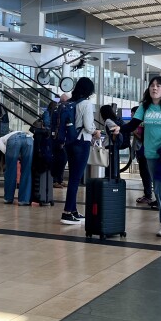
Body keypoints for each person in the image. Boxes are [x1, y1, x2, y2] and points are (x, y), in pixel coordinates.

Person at [112, 77, 161, 240]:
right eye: (152, 85)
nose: (155, 88)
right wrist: (120, 128)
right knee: (159, 190)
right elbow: (133, 125)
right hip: (151, 154)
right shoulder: (144, 107)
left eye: (158, 85)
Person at [60, 77, 99, 225]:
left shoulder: (70, 102)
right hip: (82, 142)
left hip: (70, 142)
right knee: (75, 178)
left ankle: (74, 210)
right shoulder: (86, 104)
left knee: (73, 177)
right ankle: (67, 212)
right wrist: (96, 132)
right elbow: (89, 126)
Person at [0, 129, 34, 206]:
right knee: (27, 171)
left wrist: (15, 156)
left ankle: (8, 198)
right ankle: (24, 200)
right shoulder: (15, 133)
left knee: (10, 170)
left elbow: (6, 152)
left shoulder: (0, 140)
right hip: (29, 139)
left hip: (14, 140)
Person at [131, 105, 155, 205]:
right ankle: (147, 194)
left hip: (145, 151)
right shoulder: (140, 124)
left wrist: (134, 132)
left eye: (133, 114)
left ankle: (148, 195)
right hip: (141, 151)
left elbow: (143, 138)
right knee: (144, 174)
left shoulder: (144, 124)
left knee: (146, 174)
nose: (132, 116)